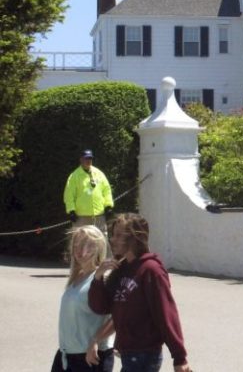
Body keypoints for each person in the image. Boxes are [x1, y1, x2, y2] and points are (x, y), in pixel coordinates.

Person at [89, 213, 191, 372]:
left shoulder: (151, 270)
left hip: (145, 355)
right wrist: (98, 278)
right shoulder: (122, 269)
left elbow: (166, 314)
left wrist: (180, 357)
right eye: (113, 235)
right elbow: (101, 307)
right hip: (129, 354)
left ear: (134, 238)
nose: (112, 240)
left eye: (119, 235)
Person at [52, 226, 115, 372]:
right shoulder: (76, 277)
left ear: (99, 247)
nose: (80, 250)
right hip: (65, 355)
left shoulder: (103, 277)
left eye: (87, 245)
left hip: (90, 356)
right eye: (76, 245)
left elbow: (117, 317)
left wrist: (96, 340)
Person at [64, 150, 114, 233]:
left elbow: (107, 190)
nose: (88, 161)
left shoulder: (99, 173)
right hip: (81, 218)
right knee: (81, 240)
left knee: (101, 239)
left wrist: (108, 206)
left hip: (99, 216)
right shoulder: (74, 176)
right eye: (86, 158)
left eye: (90, 158)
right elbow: (69, 195)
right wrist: (71, 211)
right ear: (81, 159)